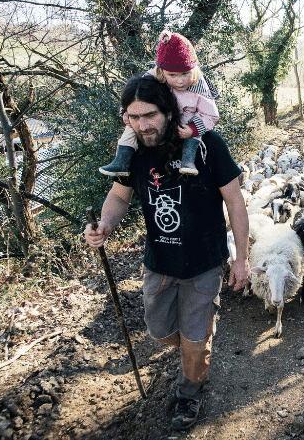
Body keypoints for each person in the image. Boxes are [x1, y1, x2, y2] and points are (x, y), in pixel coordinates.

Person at [84, 72, 250, 430]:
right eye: (133, 116)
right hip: (159, 263)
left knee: (194, 341)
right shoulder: (133, 153)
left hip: (204, 263)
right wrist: (105, 225)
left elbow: (236, 202)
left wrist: (242, 259)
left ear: (168, 111)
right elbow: (118, 196)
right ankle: (196, 348)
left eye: (150, 115)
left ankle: (190, 391)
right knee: (158, 332)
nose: (142, 125)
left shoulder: (207, 145)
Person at [99, 30, 220, 177]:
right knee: (132, 127)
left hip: (185, 121)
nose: (180, 81)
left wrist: (193, 129)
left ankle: (188, 162)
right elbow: (135, 94)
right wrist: (125, 112)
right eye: (172, 75)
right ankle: (121, 161)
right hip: (162, 121)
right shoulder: (153, 76)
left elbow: (211, 115)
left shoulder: (199, 88)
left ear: (193, 70)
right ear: (162, 72)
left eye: (185, 74)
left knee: (194, 131)